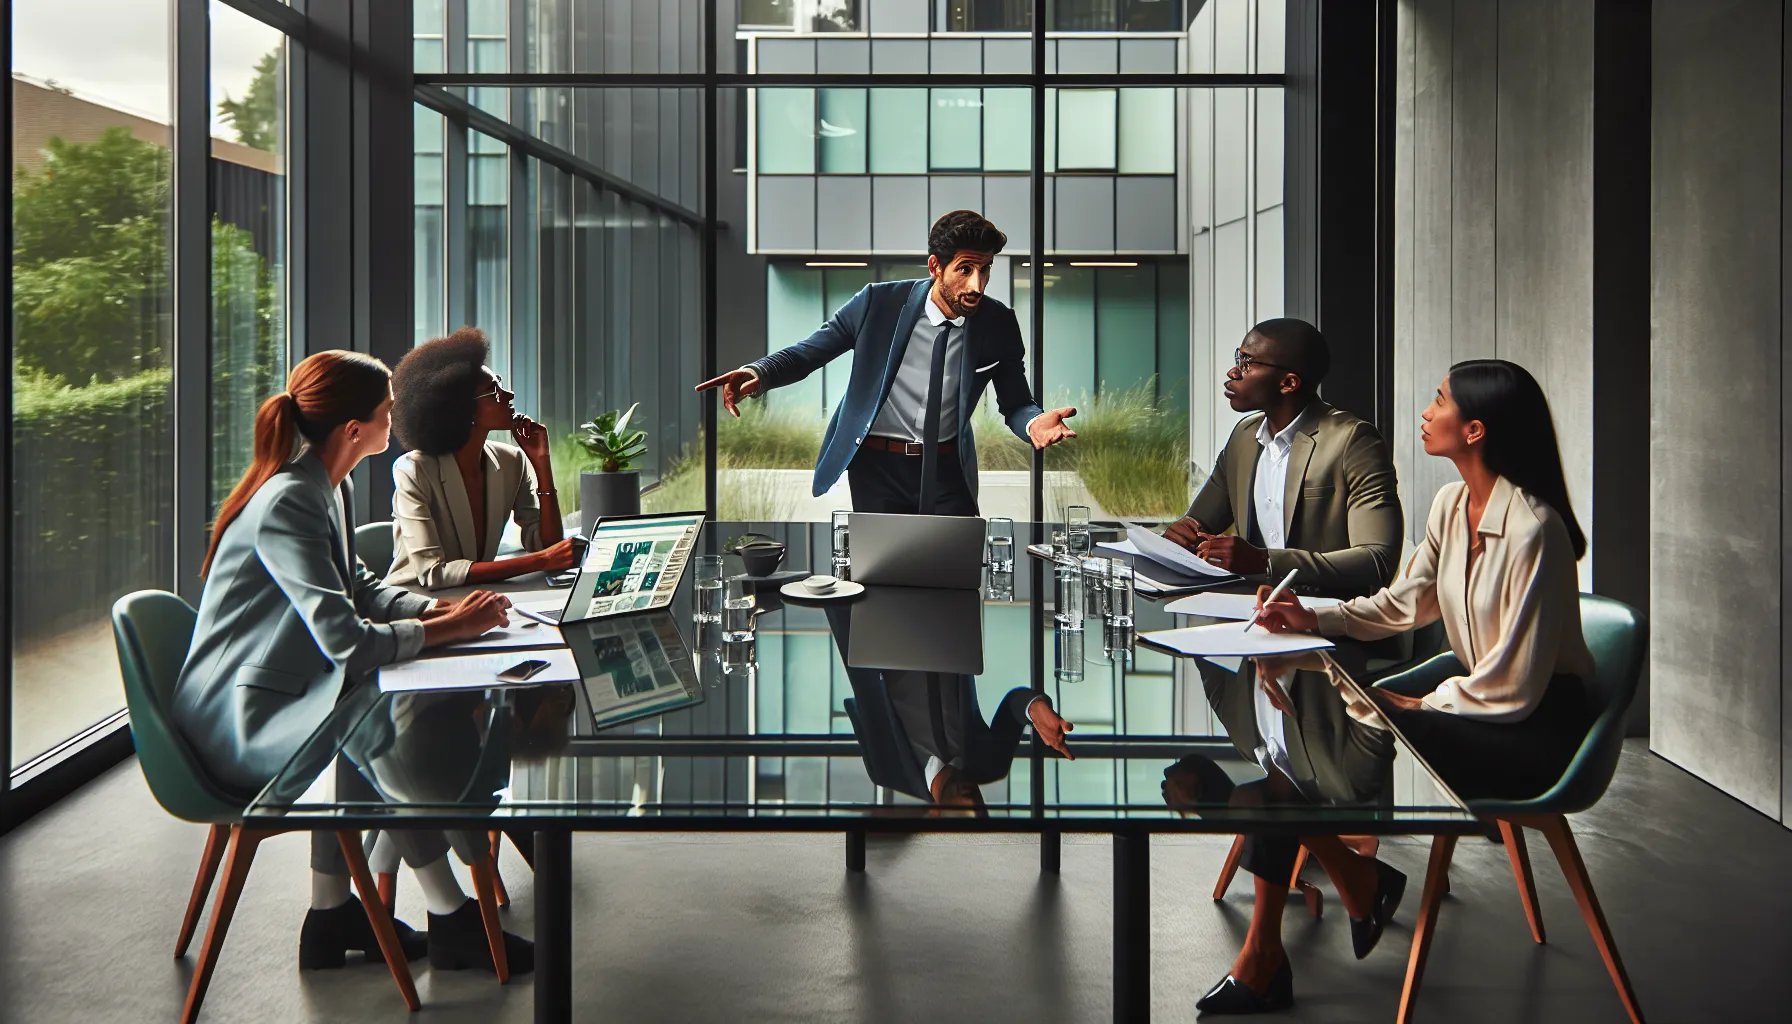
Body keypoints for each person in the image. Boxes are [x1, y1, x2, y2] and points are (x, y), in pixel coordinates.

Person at [1231, 358, 1597, 1014]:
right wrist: (1310, 617)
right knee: (1288, 763)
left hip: (1536, 730)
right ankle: (1309, 918)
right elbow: (1403, 604)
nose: (1426, 414)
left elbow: (1515, 686)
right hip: (1475, 702)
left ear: (1477, 429)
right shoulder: (1453, 502)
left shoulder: (1535, 531)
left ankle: (1332, 905)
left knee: (1295, 765)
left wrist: (1421, 703)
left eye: (1439, 401)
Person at [170, 350, 533, 974]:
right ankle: (451, 917)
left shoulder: (320, 489)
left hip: (273, 697)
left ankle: (331, 914)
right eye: (387, 409)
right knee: (373, 717)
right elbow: (348, 642)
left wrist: (440, 611)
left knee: (364, 713)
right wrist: (447, 629)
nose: (398, 416)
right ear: (353, 431)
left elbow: (363, 591)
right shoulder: (290, 501)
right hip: (236, 723)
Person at [694, 210, 1078, 516]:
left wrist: (1032, 422)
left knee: (954, 575)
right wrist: (758, 372)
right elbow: (809, 352)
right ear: (935, 267)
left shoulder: (998, 323)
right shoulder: (877, 304)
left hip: (947, 468)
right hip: (877, 467)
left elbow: (1014, 402)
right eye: (965, 269)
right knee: (880, 582)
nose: (977, 284)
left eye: (985, 269)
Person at [1164, 318, 1402, 593]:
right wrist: (1182, 534)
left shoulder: (1353, 441)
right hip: (1248, 615)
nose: (1233, 372)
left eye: (1247, 363)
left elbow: (1378, 561)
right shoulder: (1243, 436)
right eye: (1238, 358)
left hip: (1329, 622)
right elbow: (1198, 525)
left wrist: (1265, 561)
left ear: (1288, 383)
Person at [385, 327, 579, 589]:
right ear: (463, 410)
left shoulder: (511, 461)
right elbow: (434, 573)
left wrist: (542, 465)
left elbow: (547, 545)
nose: (509, 395)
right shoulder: (414, 470)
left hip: (476, 596)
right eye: (494, 391)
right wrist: (539, 561)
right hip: (416, 604)